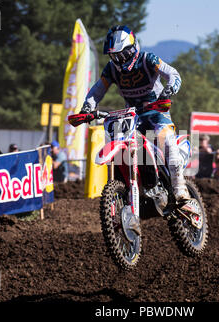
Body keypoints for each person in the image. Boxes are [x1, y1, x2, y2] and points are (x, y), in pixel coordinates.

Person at [79, 25, 197, 215]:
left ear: (131, 49)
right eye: (114, 56)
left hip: (157, 111)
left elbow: (173, 74)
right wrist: (87, 107)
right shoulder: (111, 69)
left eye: (120, 55)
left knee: (166, 139)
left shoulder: (148, 59)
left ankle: (180, 191)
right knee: (123, 146)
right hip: (133, 115)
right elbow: (98, 89)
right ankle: (136, 190)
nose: (117, 60)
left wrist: (169, 89)